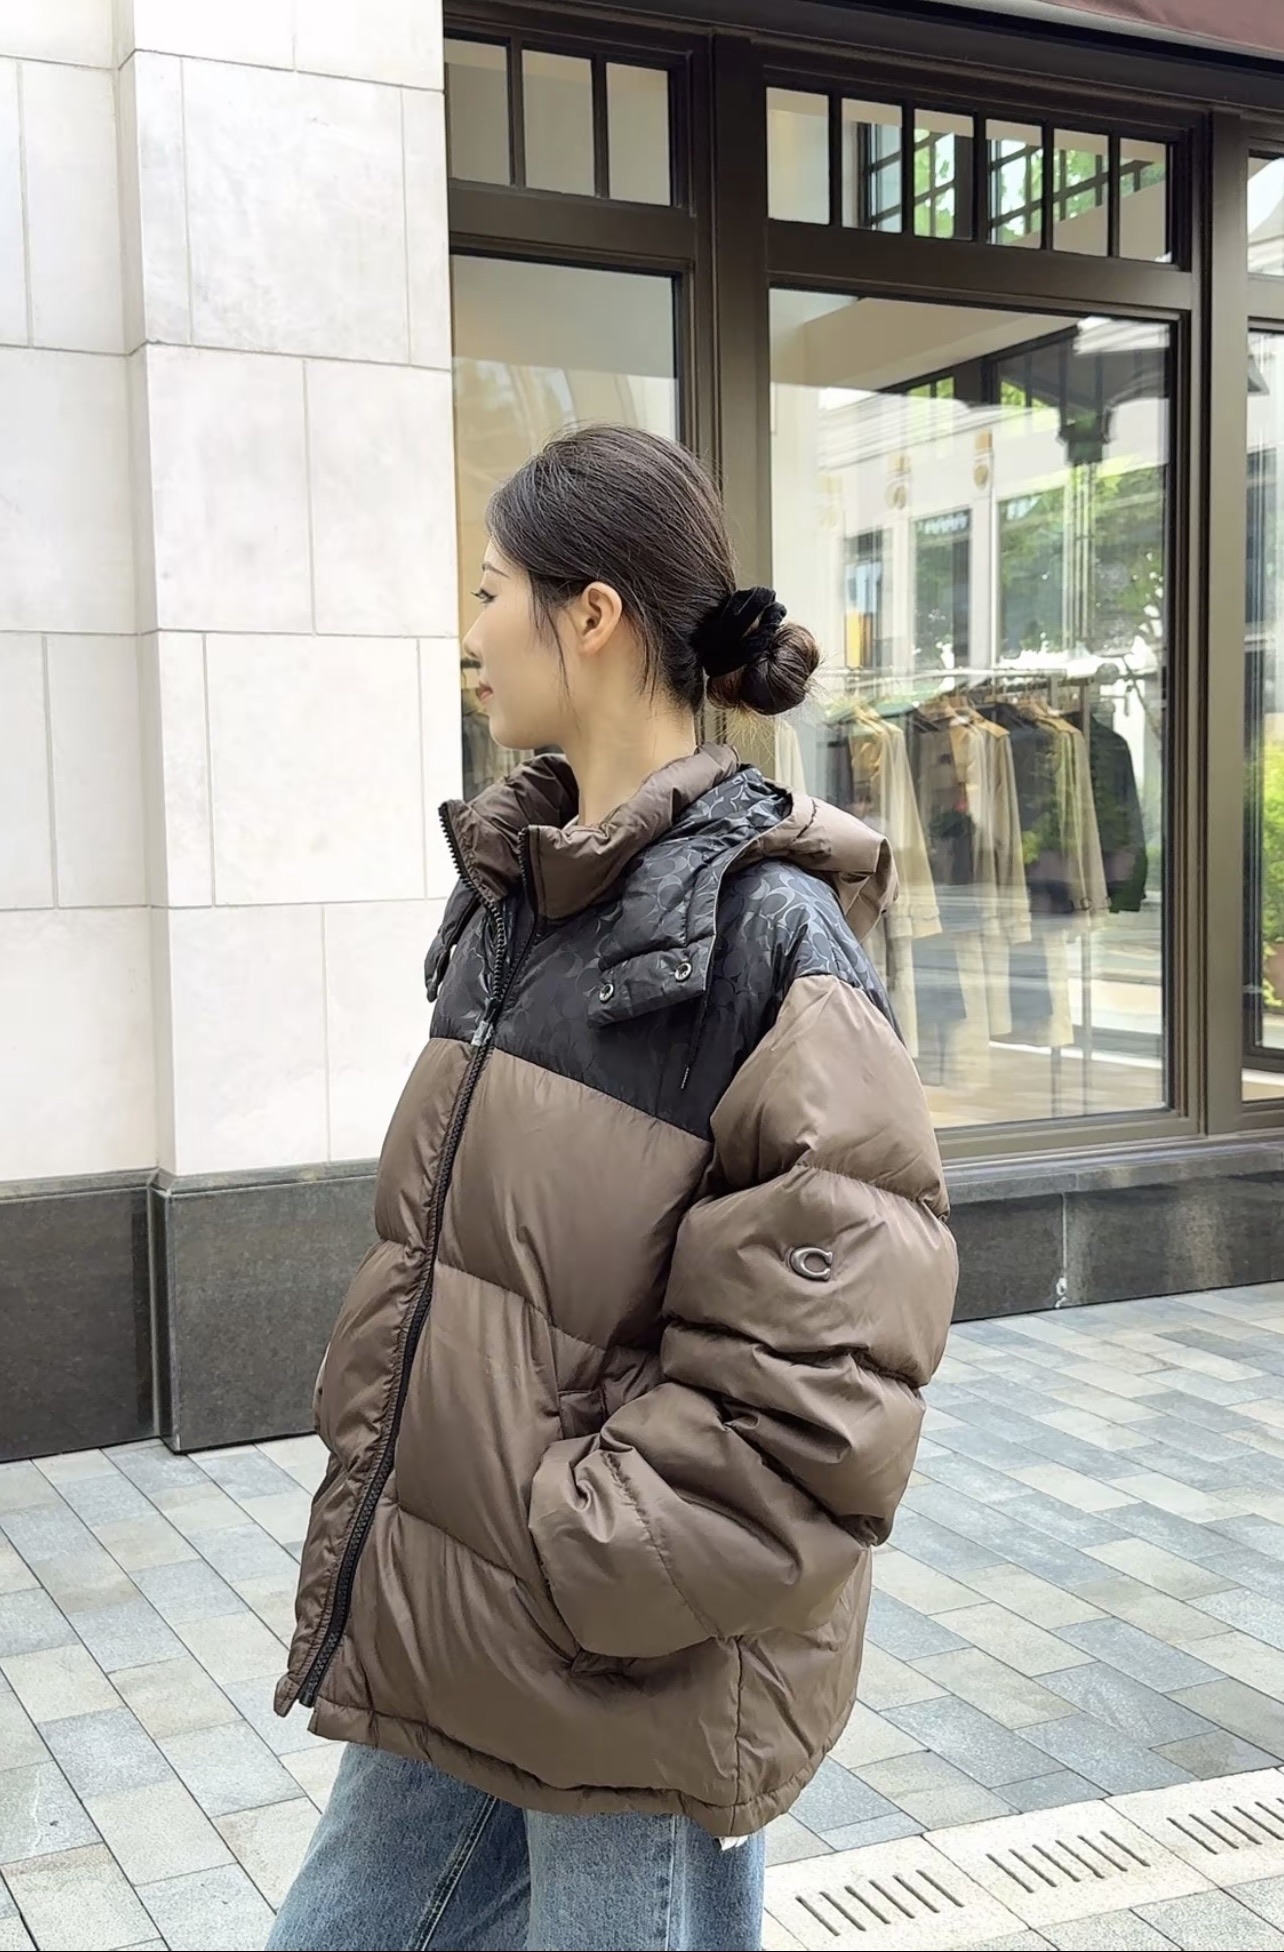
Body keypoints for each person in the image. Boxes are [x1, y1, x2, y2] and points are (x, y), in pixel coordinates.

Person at [268, 425, 958, 1952]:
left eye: (491, 589)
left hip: (619, 1656)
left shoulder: (766, 938)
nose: (470, 632)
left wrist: (584, 1550)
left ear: (591, 616)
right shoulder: (521, 892)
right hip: (461, 1602)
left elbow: (825, 1385)